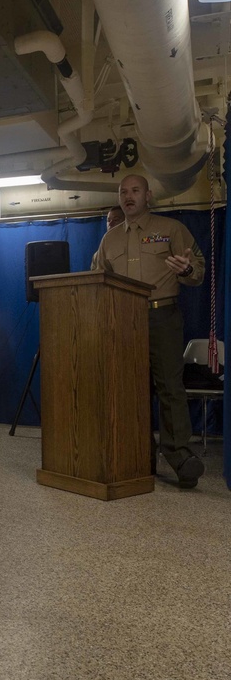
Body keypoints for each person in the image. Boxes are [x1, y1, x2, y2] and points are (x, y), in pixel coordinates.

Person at [91, 174, 206, 488]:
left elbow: (197, 267)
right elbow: (97, 279)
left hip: (162, 317)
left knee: (170, 387)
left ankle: (180, 456)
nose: (129, 196)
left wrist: (187, 270)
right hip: (124, 322)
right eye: (123, 192)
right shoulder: (109, 239)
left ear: (148, 195)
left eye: (135, 191)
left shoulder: (170, 229)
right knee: (131, 390)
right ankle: (139, 457)